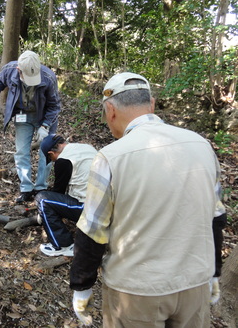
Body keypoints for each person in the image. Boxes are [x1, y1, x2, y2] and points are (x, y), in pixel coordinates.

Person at [70, 72, 223, 327]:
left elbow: (93, 230)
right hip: (195, 282)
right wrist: (215, 271)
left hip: (136, 290)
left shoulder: (110, 157)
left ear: (111, 111)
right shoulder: (201, 146)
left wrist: (81, 286)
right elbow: (216, 217)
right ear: (151, 104)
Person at [0, 51, 61, 204]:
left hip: (44, 117)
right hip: (22, 115)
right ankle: (26, 188)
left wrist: (45, 126)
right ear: (19, 71)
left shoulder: (48, 77)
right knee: (21, 151)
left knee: (46, 152)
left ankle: (41, 187)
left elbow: (54, 106)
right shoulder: (10, 70)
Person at [35, 135, 97, 257]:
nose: (53, 161)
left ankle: (62, 245)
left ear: (51, 152)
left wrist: (43, 213)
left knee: (42, 199)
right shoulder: (86, 147)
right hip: (106, 205)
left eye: (51, 158)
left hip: (88, 209)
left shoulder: (63, 160)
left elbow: (59, 191)